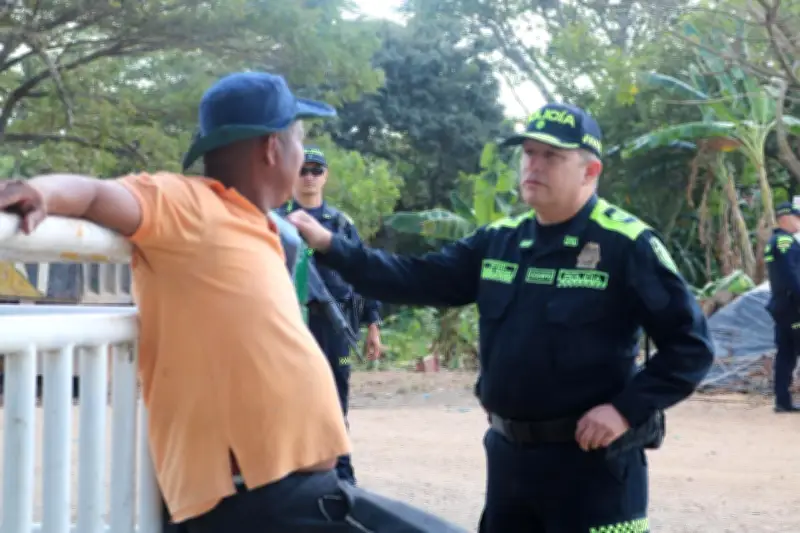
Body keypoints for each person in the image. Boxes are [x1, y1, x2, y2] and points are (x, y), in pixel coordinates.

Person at [0, 71, 468, 533]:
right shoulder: (188, 204)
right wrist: (38, 192)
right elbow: (97, 193)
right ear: (272, 147)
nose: (303, 157)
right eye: (299, 140)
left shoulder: (259, 224)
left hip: (299, 492)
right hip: (262, 500)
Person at [289, 102, 715, 533]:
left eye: (553, 156)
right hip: (510, 463)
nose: (535, 165)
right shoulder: (500, 241)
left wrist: (625, 410)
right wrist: (330, 245)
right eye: (529, 153)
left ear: (590, 171)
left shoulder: (627, 245)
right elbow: (415, 278)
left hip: (592, 470)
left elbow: (690, 347)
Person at [276, 146, 383, 485]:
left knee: (336, 396)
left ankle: (341, 474)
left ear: (326, 176)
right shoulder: (276, 220)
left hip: (340, 316)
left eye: (316, 170)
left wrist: (372, 326)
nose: (309, 176)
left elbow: (362, 274)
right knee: (289, 397)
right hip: (292, 317)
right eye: (303, 169)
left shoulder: (340, 224)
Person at [764, 201, 800, 413]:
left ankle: (783, 400)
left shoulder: (775, 241)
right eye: (797, 218)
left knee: (786, 353)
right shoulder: (785, 241)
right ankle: (782, 400)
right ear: (785, 218)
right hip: (793, 306)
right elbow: (792, 276)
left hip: (782, 306)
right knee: (788, 352)